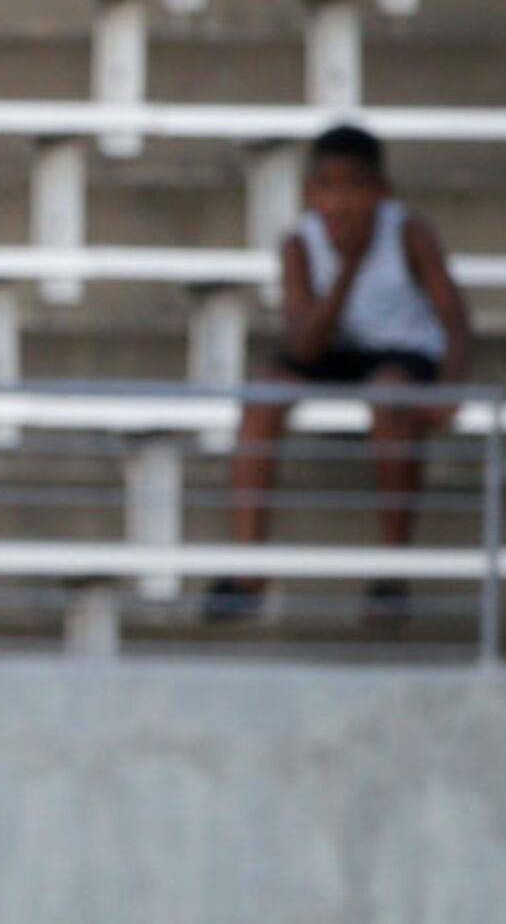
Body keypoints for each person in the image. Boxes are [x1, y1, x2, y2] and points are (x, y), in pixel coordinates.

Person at [204, 123, 476, 627]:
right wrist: (349, 266)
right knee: (263, 387)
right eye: (327, 188)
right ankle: (247, 567)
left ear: (381, 192)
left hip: (402, 351)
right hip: (333, 347)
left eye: (354, 187)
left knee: (390, 397)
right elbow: (304, 343)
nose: (340, 201)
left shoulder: (410, 233)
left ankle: (392, 572)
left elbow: (455, 317)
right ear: (310, 194)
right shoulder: (300, 244)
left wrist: (448, 387)